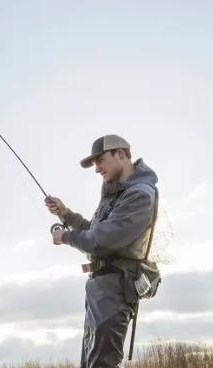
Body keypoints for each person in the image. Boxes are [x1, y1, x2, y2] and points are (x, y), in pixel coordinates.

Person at [45, 134, 158, 368]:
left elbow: (102, 240)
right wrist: (65, 214)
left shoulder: (139, 194)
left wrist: (65, 236)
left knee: (102, 364)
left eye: (100, 161)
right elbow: (94, 229)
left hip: (115, 289)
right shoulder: (115, 194)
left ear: (121, 154)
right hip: (100, 291)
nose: (97, 169)